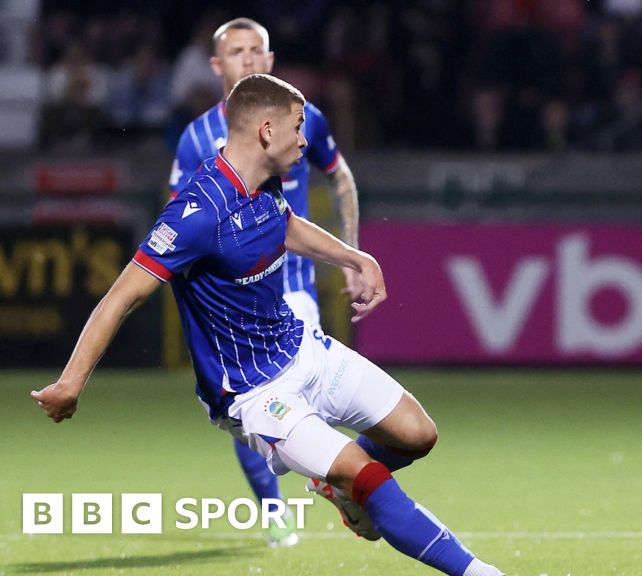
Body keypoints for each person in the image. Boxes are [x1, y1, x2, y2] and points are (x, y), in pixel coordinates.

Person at [32, 74, 505, 576]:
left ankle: (336, 485)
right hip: (254, 394)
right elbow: (121, 296)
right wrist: (70, 383)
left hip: (300, 348)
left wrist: (352, 257)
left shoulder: (267, 181)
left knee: (417, 434)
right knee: (364, 475)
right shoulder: (197, 211)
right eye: (298, 127)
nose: (304, 139)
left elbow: (286, 223)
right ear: (265, 130)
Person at [169, 17, 362, 547]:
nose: (249, 60)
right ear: (217, 66)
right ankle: (277, 508)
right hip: (234, 299)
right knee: (253, 403)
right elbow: (175, 222)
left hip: (293, 285)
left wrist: (351, 252)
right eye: (237, 52)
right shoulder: (196, 140)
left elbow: (339, 174)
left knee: (305, 405)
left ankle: (332, 479)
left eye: (258, 50)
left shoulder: (308, 119)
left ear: (271, 62)